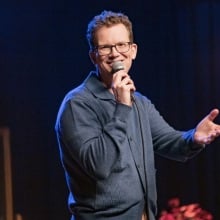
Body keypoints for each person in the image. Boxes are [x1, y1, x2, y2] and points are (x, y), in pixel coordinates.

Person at [55, 10, 220, 220]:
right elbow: (98, 166)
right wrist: (121, 107)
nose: (115, 54)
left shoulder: (139, 102)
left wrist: (194, 137)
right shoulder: (77, 104)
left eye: (121, 45)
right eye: (105, 47)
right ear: (93, 56)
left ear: (133, 51)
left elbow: (170, 141)